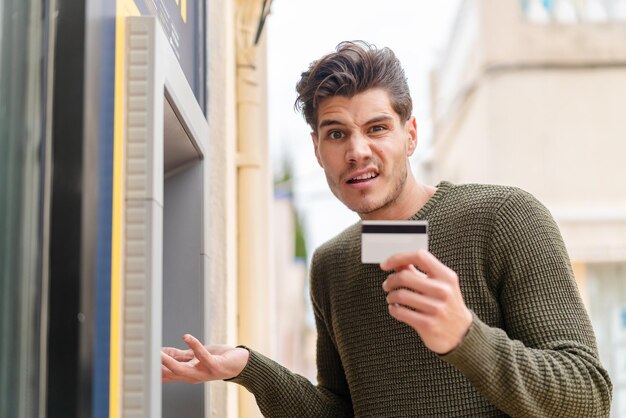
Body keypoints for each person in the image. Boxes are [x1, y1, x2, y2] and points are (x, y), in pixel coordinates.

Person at [161, 41, 612, 417]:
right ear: (317, 149)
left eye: (377, 128)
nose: (357, 151)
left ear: (410, 134)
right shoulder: (332, 265)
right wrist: (248, 368)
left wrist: (463, 336)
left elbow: (588, 396)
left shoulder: (504, 218)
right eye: (337, 134)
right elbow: (340, 411)